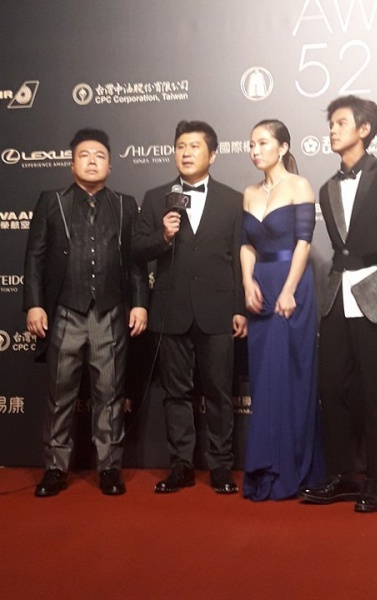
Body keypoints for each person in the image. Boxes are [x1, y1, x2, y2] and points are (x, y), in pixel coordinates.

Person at [299, 95, 377, 512]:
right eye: (330, 124)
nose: (332, 130)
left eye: (340, 123)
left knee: (376, 391)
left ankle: (376, 480)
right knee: (331, 388)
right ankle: (340, 475)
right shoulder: (327, 187)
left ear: (364, 129)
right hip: (337, 295)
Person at [24, 128, 148, 497]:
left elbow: (136, 262)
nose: (92, 162)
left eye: (99, 156)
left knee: (110, 393)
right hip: (65, 312)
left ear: (110, 166)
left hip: (110, 314)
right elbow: (35, 257)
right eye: (84, 155)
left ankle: (109, 468)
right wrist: (34, 303)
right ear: (72, 163)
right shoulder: (52, 202)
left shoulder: (125, 205)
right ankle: (54, 469)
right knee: (59, 393)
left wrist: (140, 302)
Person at [133, 120, 246, 494]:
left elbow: (240, 257)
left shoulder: (233, 200)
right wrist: (164, 236)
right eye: (180, 146)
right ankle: (181, 464)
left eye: (194, 146)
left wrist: (239, 308)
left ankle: (220, 466)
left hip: (218, 310)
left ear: (212, 154)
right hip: (172, 310)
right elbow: (137, 249)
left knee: (219, 393)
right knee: (176, 393)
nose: (186, 153)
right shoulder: (156, 198)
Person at [240, 119, 325, 501]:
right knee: (264, 380)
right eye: (251, 144)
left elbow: (304, 242)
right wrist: (247, 282)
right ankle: (265, 467)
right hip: (260, 289)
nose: (255, 150)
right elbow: (246, 245)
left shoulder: (299, 186)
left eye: (263, 143)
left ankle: (292, 467)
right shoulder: (249, 193)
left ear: (283, 147)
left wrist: (289, 290)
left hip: (292, 287)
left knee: (291, 378)